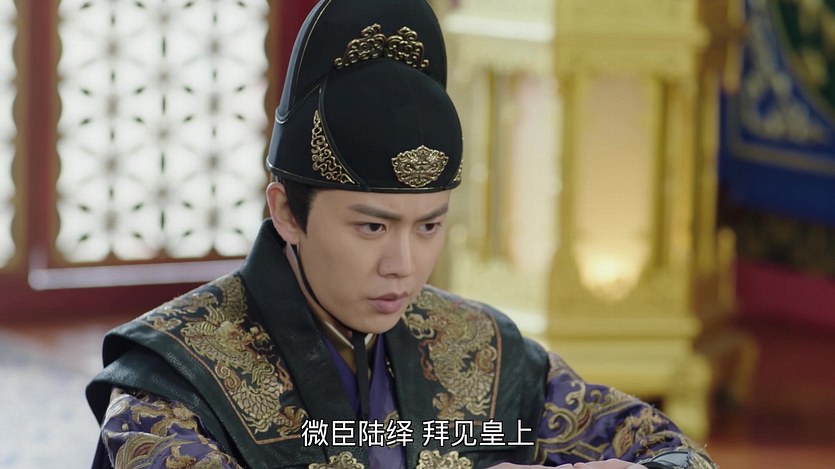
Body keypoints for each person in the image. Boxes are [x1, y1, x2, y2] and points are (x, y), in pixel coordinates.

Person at [85, 1, 717, 468]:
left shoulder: (479, 351)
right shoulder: (178, 379)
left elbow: (671, 451)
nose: (404, 265)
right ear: (287, 213)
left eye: (429, 226)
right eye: (372, 226)